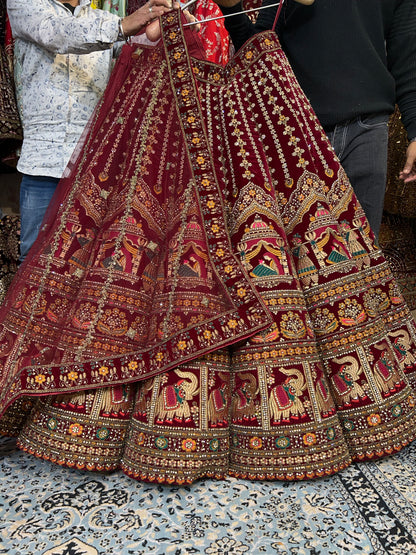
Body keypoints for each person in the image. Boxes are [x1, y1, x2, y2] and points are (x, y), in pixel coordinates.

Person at [0, 8, 415, 485]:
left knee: (319, 258)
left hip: (272, 120)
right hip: (124, 135)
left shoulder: (228, 25)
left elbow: (255, 32)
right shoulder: (108, 14)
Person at [216, 0, 416, 240]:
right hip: (298, 131)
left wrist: (415, 131)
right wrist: (231, 8)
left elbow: (407, 57)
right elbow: (257, 55)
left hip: (366, 131)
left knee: (365, 256)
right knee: (303, 257)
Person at [7, 0, 174, 261]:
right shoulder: (24, 4)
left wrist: (157, 29)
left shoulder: (102, 18)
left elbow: (134, 53)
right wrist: (123, 25)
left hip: (92, 167)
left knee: (82, 261)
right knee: (33, 256)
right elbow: (58, 33)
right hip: (43, 164)